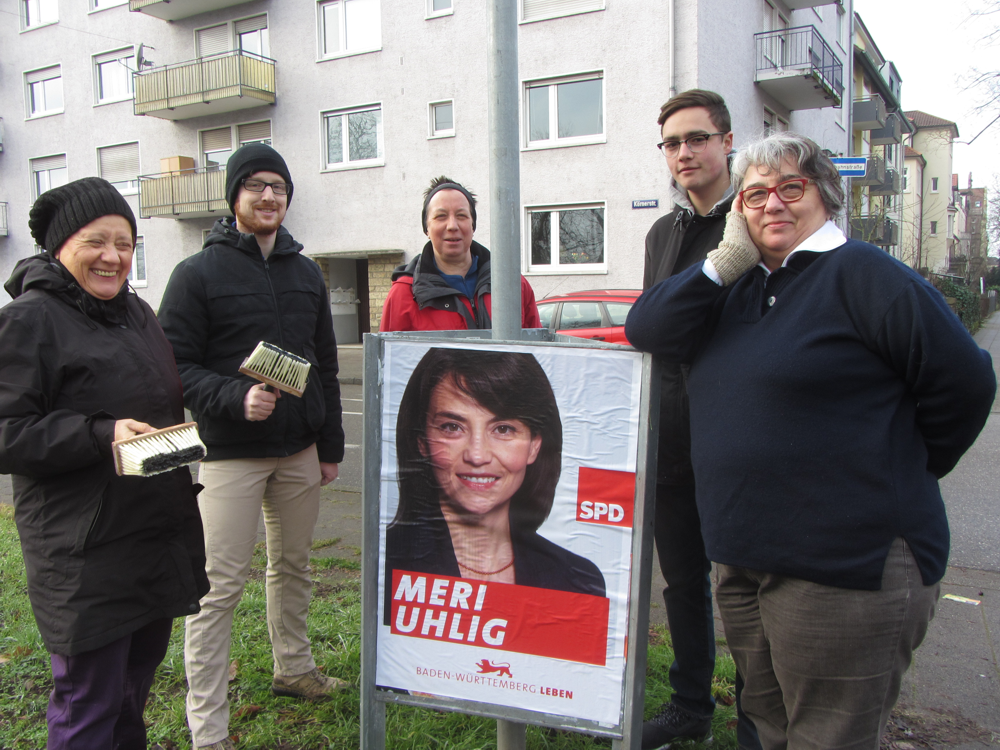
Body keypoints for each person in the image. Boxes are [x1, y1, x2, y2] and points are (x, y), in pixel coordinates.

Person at [625, 131, 996, 749]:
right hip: (742, 558)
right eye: (755, 195)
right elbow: (648, 328)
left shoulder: (865, 276)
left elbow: (966, 384)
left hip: (843, 567)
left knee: (827, 736)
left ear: (825, 195)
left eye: (790, 188)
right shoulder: (735, 285)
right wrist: (723, 261)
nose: (773, 203)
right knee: (766, 728)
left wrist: (905, 466)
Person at [0, 177, 210, 750]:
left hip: (150, 535)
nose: (113, 256)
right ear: (60, 247)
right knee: (88, 707)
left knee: (130, 697)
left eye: (125, 243)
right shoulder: (28, 320)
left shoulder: (136, 312)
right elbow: (7, 431)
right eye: (96, 241)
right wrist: (99, 435)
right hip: (84, 551)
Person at [158, 143, 347, 750]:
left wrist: (329, 443)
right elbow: (173, 367)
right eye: (256, 185)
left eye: (279, 187)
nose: (269, 196)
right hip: (229, 454)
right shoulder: (196, 274)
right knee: (218, 586)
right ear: (234, 195)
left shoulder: (306, 273)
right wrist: (233, 398)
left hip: (298, 450)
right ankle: (208, 728)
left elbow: (325, 364)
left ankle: (294, 668)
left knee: (293, 566)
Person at [638, 89, 759, 750]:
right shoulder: (663, 233)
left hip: (736, 439)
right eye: (672, 143)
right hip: (669, 438)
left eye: (697, 138)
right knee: (682, 583)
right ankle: (691, 706)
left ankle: (757, 718)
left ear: (727, 142)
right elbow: (656, 330)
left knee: (747, 585)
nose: (683, 152)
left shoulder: (754, 220)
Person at [386, 348, 605, 599]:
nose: (477, 456)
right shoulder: (384, 559)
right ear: (422, 441)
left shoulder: (578, 581)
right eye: (452, 427)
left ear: (534, 446)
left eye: (503, 429)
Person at [379, 176, 542, 332]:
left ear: (472, 225)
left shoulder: (514, 285)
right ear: (427, 228)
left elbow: (536, 346)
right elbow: (388, 351)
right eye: (441, 216)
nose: (452, 226)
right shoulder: (403, 295)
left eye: (461, 216)